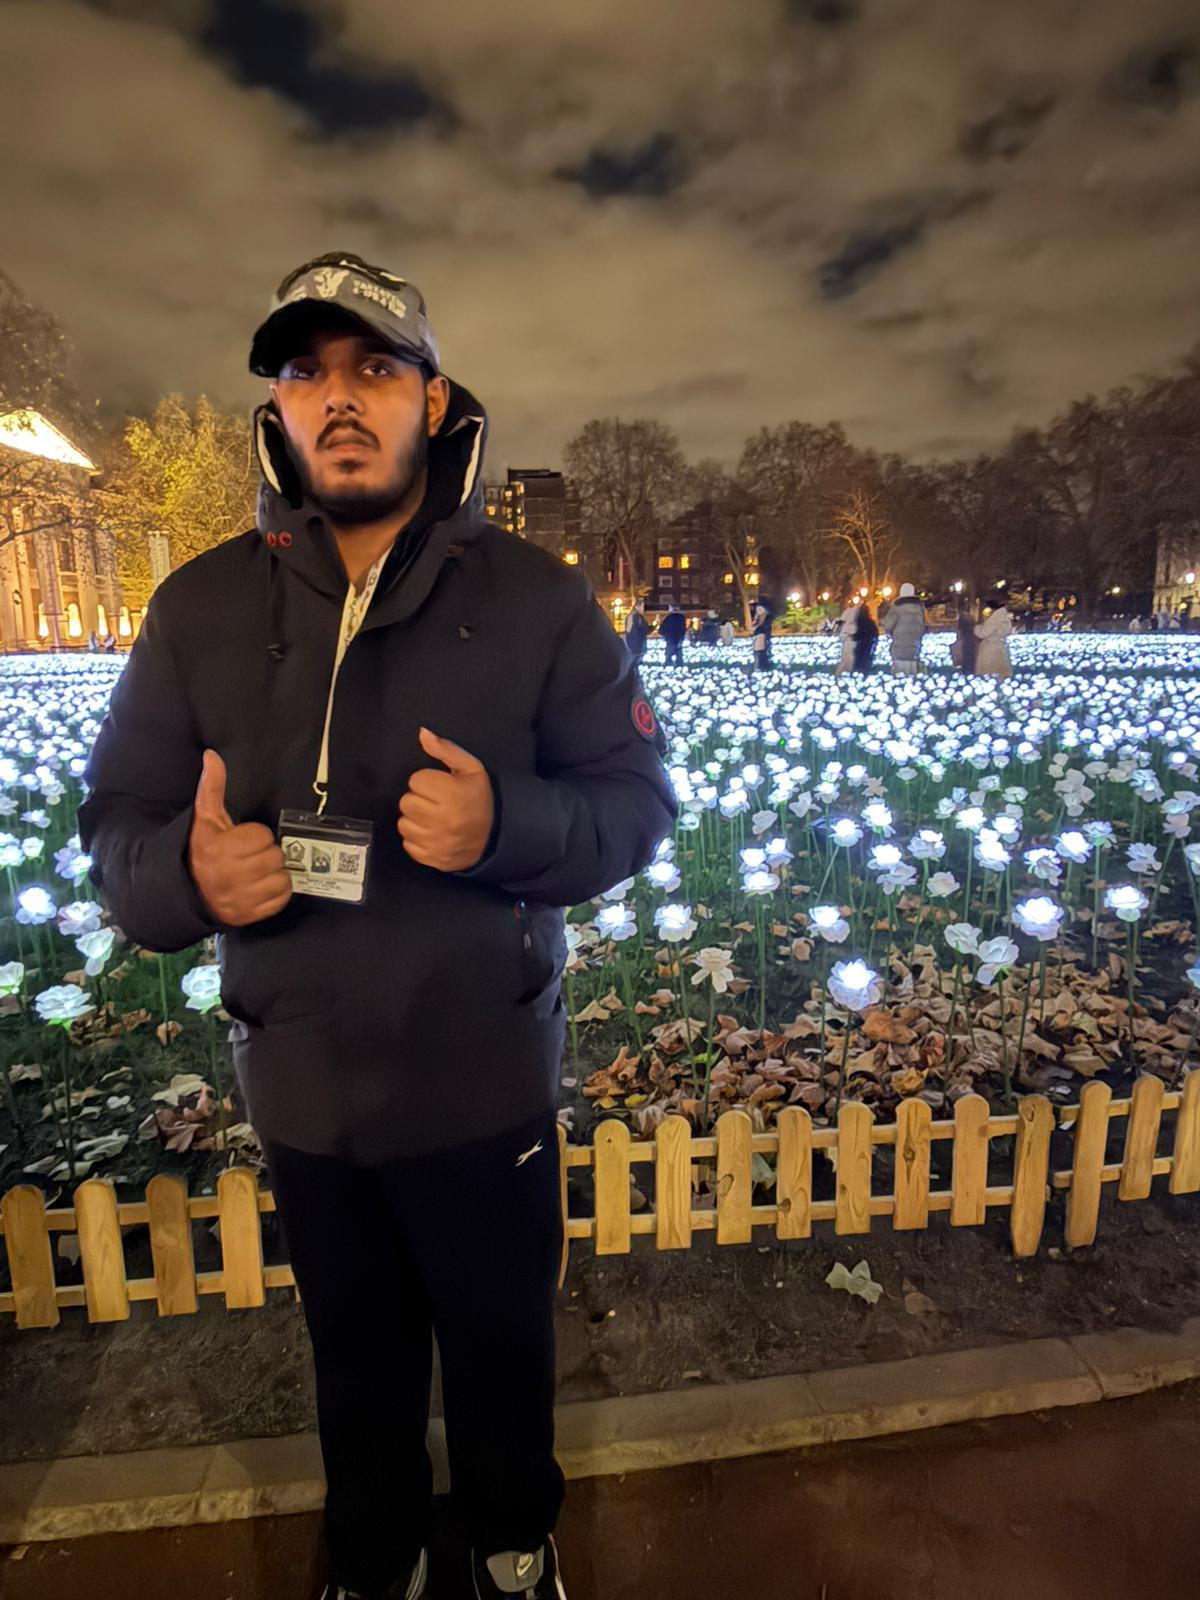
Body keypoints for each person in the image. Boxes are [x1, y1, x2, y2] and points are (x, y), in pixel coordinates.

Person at [78, 252, 676, 1600]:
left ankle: (514, 1545)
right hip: (305, 1089)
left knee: (502, 1350)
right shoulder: (197, 611)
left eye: (374, 368)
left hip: (481, 1078)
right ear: (277, 408)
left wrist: (508, 826)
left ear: (433, 397)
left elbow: (638, 801)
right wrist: (188, 876)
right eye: (307, 371)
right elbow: (115, 826)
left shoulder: (535, 600)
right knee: (355, 1360)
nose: (339, 397)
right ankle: (375, 1557)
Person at [881, 582, 925, 674]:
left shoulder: (897, 608)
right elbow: (922, 626)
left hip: (900, 644)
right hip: (914, 645)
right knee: (912, 670)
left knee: (900, 670)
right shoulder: (919, 608)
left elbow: (888, 625)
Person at [976, 603, 1013, 677]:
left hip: (991, 648)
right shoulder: (1004, 619)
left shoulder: (994, 619)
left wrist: (976, 628)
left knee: (989, 671)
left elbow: (983, 632)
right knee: (1000, 672)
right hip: (1001, 647)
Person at [950, 602, 977, 673]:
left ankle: (966, 671)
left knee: (966, 658)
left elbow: (960, 630)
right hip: (969, 640)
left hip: (965, 640)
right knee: (969, 659)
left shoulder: (963, 618)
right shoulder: (970, 618)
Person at [835, 598, 860, 674]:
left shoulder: (853, 610)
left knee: (848, 655)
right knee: (848, 655)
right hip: (849, 635)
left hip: (849, 635)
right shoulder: (854, 611)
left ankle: (847, 669)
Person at [852, 600, 878, 673]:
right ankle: (865, 668)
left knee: (859, 656)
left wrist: (855, 637)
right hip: (868, 642)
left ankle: (859, 669)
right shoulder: (870, 621)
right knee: (866, 656)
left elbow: (857, 633)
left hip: (860, 642)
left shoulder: (858, 621)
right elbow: (875, 632)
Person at [659, 601, 686, 666]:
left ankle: (668, 664)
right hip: (679, 638)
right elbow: (683, 628)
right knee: (679, 653)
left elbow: (661, 630)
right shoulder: (682, 617)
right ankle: (679, 664)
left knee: (669, 653)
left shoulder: (668, 618)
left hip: (670, 638)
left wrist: (664, 634)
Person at [623, 595, 649, 660]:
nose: (643, 609)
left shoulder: (636, 616)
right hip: (636, 646)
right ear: (638, 606)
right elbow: (643, 630)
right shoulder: (635, 617)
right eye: (643, 606)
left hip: (636, 647)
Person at [751, 601, 772, 671]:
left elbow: (761, 619)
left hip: (762, 632)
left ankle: (763, 664)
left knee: (762, 650)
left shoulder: (759, 609)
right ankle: (764, 664)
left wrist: (756, 627)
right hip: (762, 632)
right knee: (763, 649)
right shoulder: (760, 611)